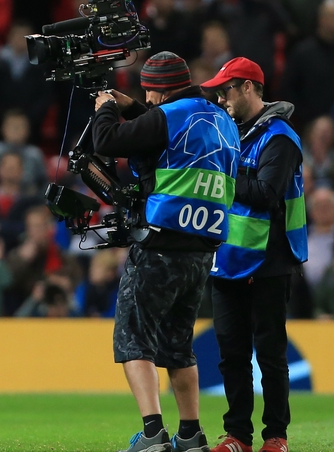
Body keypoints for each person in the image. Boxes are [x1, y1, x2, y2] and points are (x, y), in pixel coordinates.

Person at [91, 51, 239, 452]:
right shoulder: (221, 120)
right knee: (178, 345)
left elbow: (107, 141)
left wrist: (106, 109)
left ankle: (153, 431)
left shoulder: (166, 115)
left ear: (159, 89)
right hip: (202, 249)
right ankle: (191, 434)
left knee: (133, 339)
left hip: (161, 243)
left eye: (148, 92)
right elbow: (167, 132)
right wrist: (132, 108)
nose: (147, 99)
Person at [201, 57, 307, 452]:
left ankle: (276, 436)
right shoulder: (230, 134)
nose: (221, 98)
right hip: (227, 257)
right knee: (231, 354)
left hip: (269, 260)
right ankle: (238, 437)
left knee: (270, 354)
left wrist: (220, 178)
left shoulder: (280, 137)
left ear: (248, 87)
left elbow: (266, 194)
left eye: (225, 90)